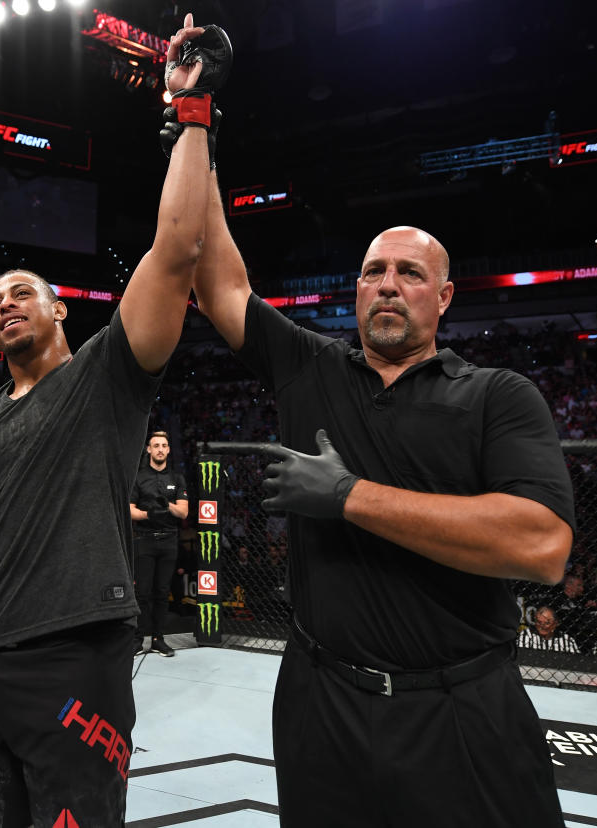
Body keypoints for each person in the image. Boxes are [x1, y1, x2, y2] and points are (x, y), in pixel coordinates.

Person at [0, 17, 227, 827]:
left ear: (61, 310)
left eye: (21, 291)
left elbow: (176, 251)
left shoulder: (105, 377)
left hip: (77, 659)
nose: (4, 304)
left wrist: (189, 118)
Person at [193, 200, 575, 820]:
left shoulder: (496, 395)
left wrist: (347, 497)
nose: (388, 285)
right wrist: (196, 133)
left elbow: (542, 547)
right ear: (358, 290)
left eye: (410, 273)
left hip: (461, 707)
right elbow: (216, 286)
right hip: (320, 699)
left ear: (445, 296)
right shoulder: (311, 367)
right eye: (374, 271)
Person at [129, 430, 188, 656]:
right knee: (142, 593)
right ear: (149, 449)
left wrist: (167, 505)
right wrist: (148, 515)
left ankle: (158, 639)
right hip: (144, 540)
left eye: (164, 445)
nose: (160, 449)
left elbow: (183, 512)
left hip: (169, 540)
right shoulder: (139, 477)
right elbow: (129, 510)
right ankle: (138, 639)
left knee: (162, 592)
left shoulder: (177, 478)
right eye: (156, 445)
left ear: (168, 449)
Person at [517, 606, 581, 653]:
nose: (542, 626)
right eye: (539, 622)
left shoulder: (567, 640)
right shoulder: (527, 635)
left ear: (556, 624)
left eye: (547, 623)